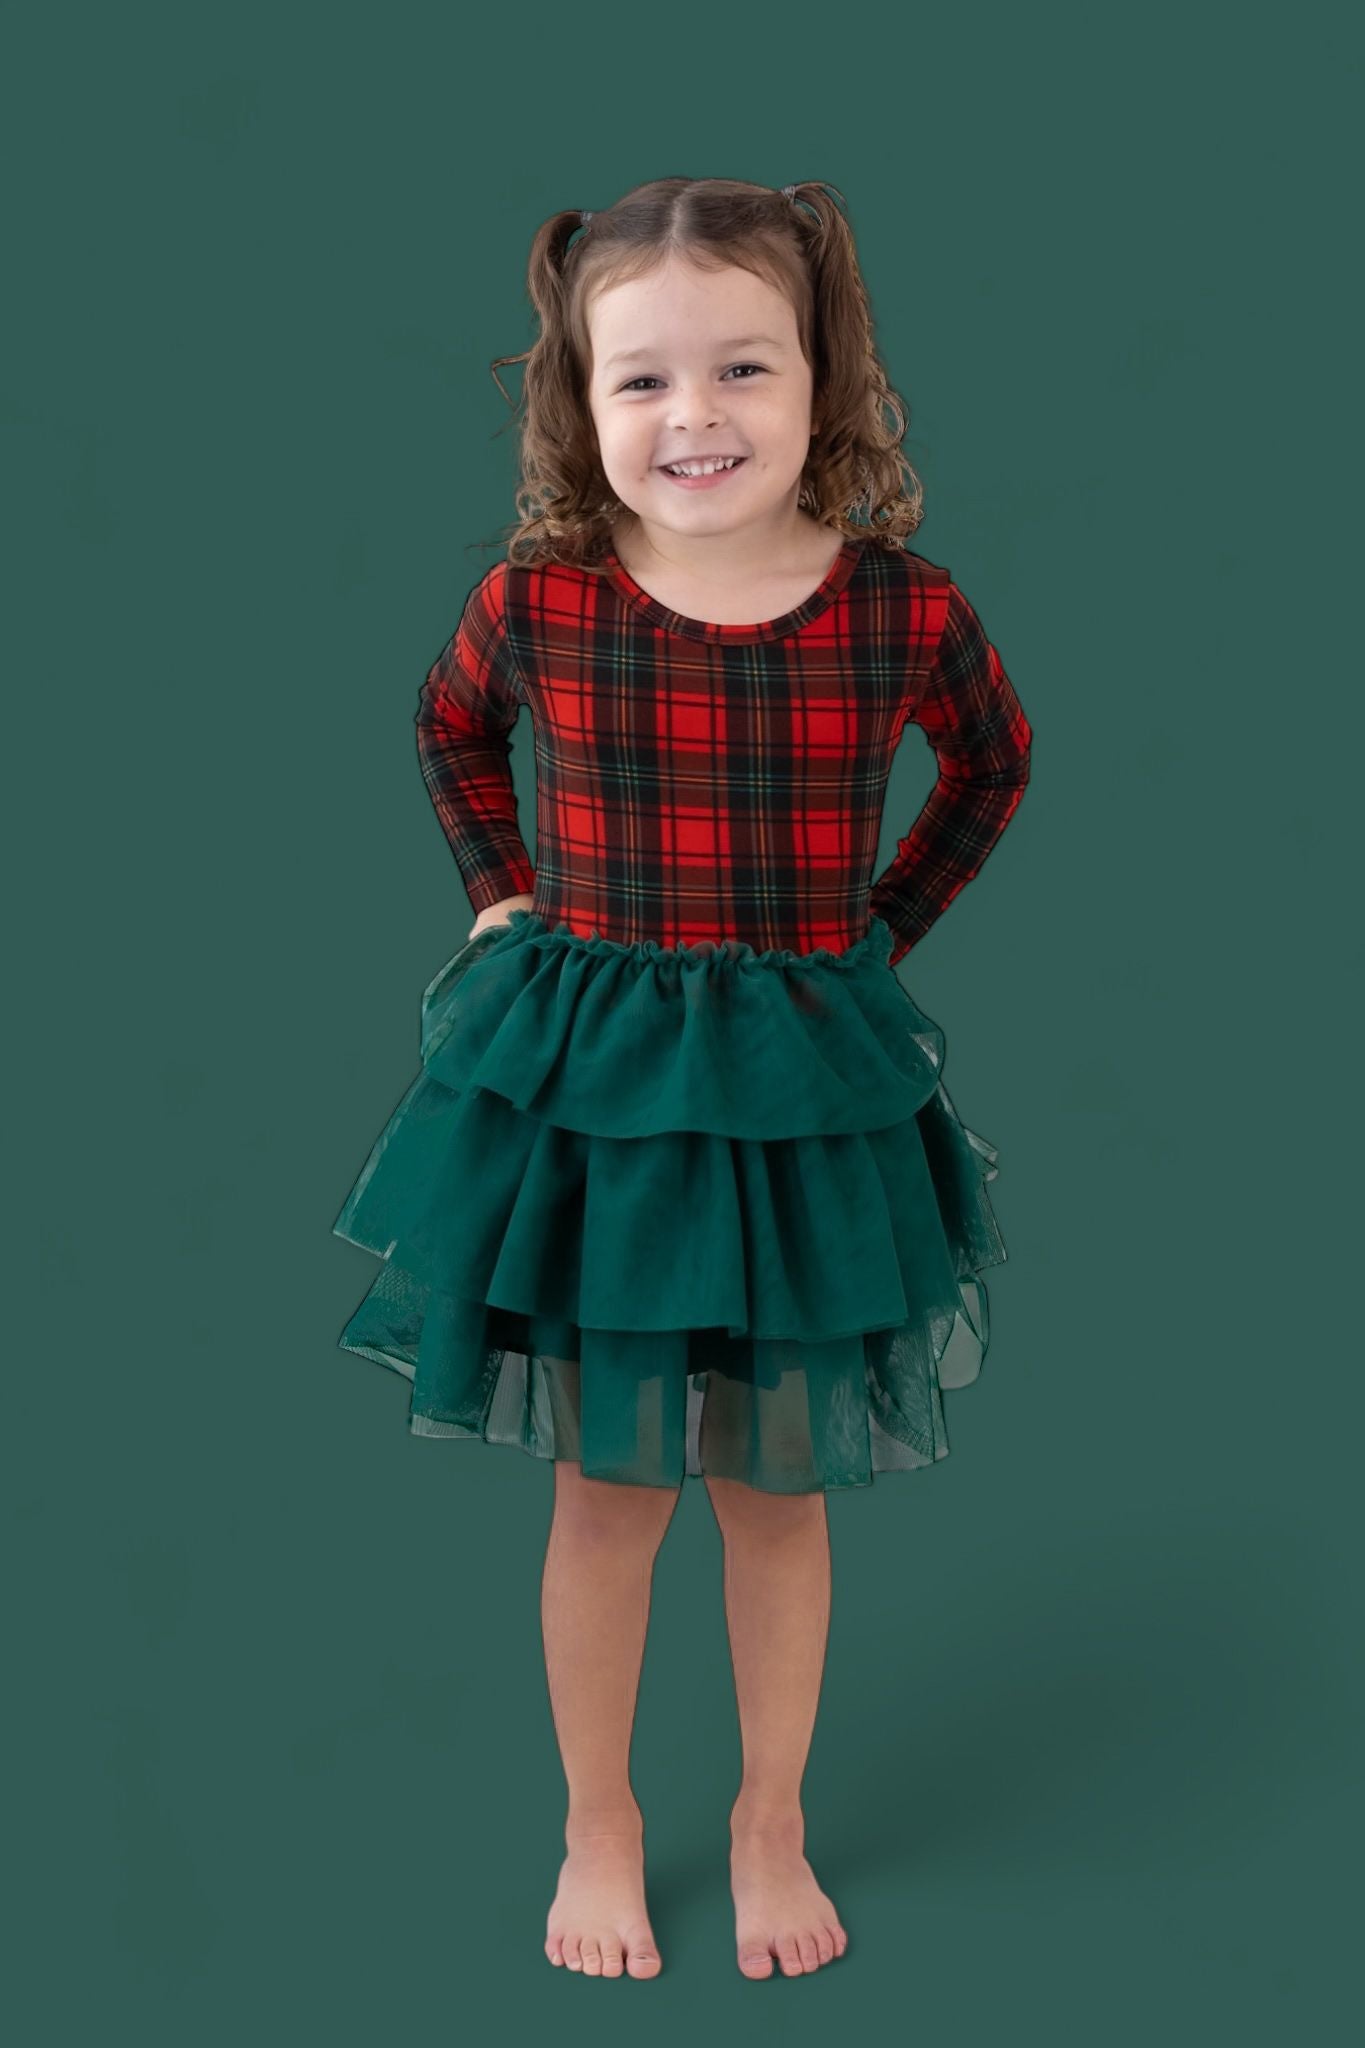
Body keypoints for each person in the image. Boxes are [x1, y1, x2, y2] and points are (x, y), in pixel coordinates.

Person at [331, 176, 1032, 1984]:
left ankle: (767, 1820)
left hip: (801, 1102)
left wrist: (880, 930)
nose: (693, 415)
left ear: (824, 381)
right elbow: (445, 726)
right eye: (640, 378)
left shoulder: (900, 610)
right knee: (606, 1492)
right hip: (600, 1102)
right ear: (580, 400)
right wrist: (500, 894)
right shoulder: (541, 599)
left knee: (778, 1487)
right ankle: (600, 1823)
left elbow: (991, 764)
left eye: (743, 367)